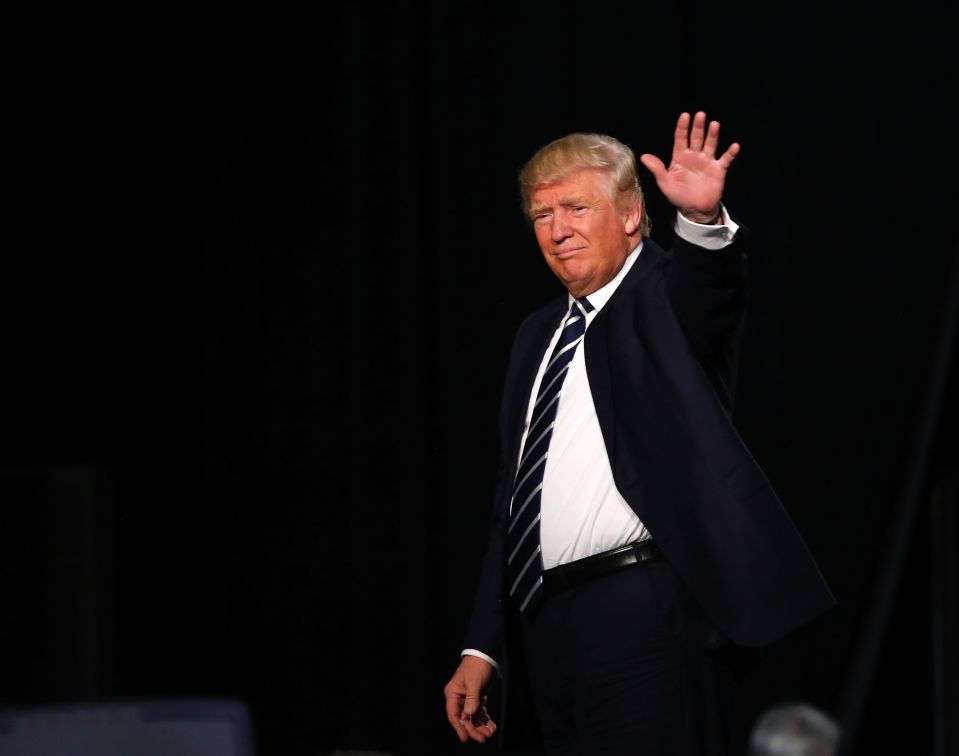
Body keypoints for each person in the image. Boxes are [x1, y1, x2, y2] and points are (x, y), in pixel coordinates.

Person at [443, 113, 834, 755]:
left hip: (647, 614)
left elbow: (711, 289)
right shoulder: (534, 336)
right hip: (544, 627)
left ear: (629, 215)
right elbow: (508, 508)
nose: (559, 230)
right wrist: (482, 642)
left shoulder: (663, 296)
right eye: (542, 215)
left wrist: (703, 224)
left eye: (576, 207)